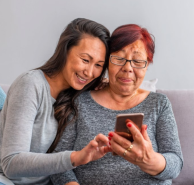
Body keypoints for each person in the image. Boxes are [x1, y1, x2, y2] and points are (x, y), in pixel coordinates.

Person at [50, 24, 183, 185]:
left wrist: (149, 160)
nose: (128, 68)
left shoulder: (159, 104)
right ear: (107, 62)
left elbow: (175, 163)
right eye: (119, 59)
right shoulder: (80, 102)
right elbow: (59, 162)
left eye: (137, 61)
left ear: (147, 65)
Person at [0, 18, 112, 185]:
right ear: (65, 51)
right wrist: (75, 157)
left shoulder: (80, 96)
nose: (89, 72)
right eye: (85, 60)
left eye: (98, 65)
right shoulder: (31, 85)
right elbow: (11, 163)